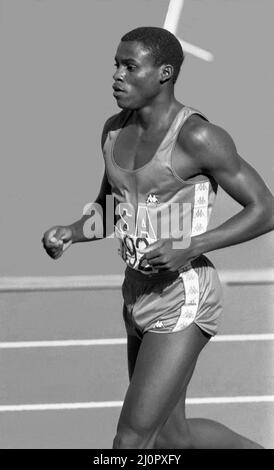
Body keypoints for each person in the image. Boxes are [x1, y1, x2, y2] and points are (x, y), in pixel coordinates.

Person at [42, 27, 274, 449]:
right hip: (136, 292)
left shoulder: (198, 137)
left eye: (130, 66)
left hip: (183, 295)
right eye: (115, 64)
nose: (117, 75)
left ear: (164, 73)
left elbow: (266, 209)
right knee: (171, 435)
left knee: (130, 441)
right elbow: (111, 209)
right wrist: (71, 233)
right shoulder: (113, 132)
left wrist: (194, 245)